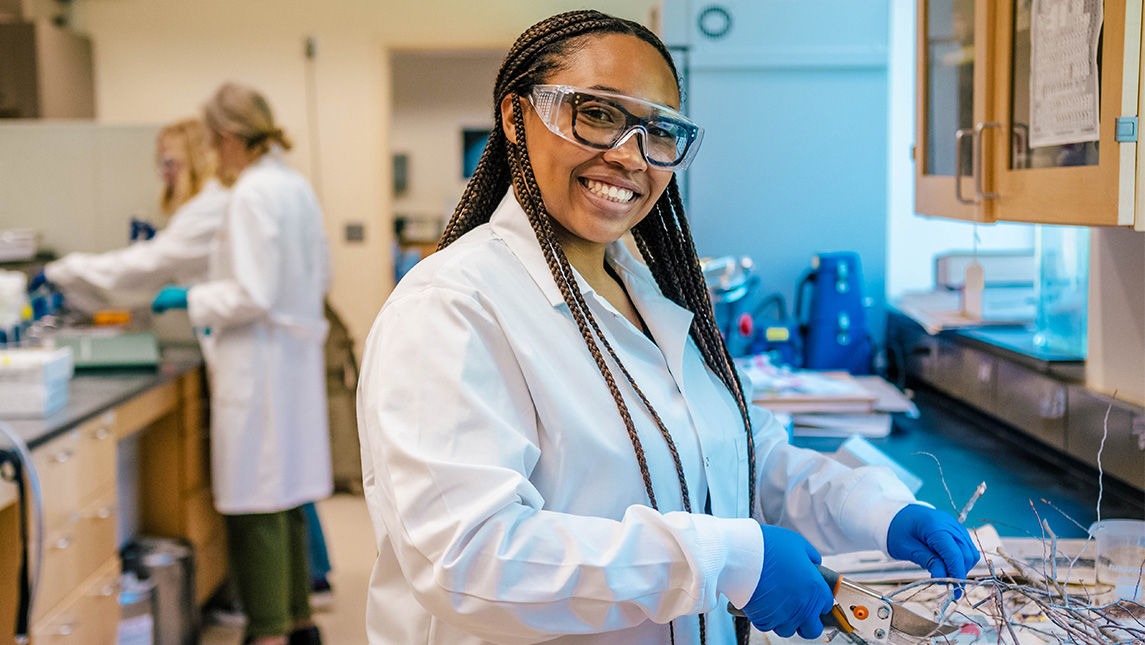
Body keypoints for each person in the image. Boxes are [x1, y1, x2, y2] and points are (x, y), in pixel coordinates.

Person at [356, 11, 979, 645]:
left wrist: (873, 509)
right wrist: (725, 561)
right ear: (517, 118)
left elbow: (735, 453)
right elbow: (468, 558)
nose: (630, 155)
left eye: (658, 131)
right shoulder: (452, 307)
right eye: (597, 114)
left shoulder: (649, 292)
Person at [152, 83, 332, 645]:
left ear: (231, 138)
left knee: (255, 504)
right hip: (290, 360)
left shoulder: (251, 194)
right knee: (288, 497)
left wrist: (192, 298)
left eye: (213, 142)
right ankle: (299, 623)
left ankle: (268, 633)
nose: (213, 153)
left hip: (257, 365)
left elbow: (252, 294)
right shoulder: (295, 186)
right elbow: (320, 275)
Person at [32, 119, 228, 303]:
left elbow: (143, 265)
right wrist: (159, 243)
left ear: (197, 160)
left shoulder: (209, 206)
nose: (163, 176)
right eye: (160, 164)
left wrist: (64, 270)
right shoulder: (208, 203)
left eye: (169, 163)